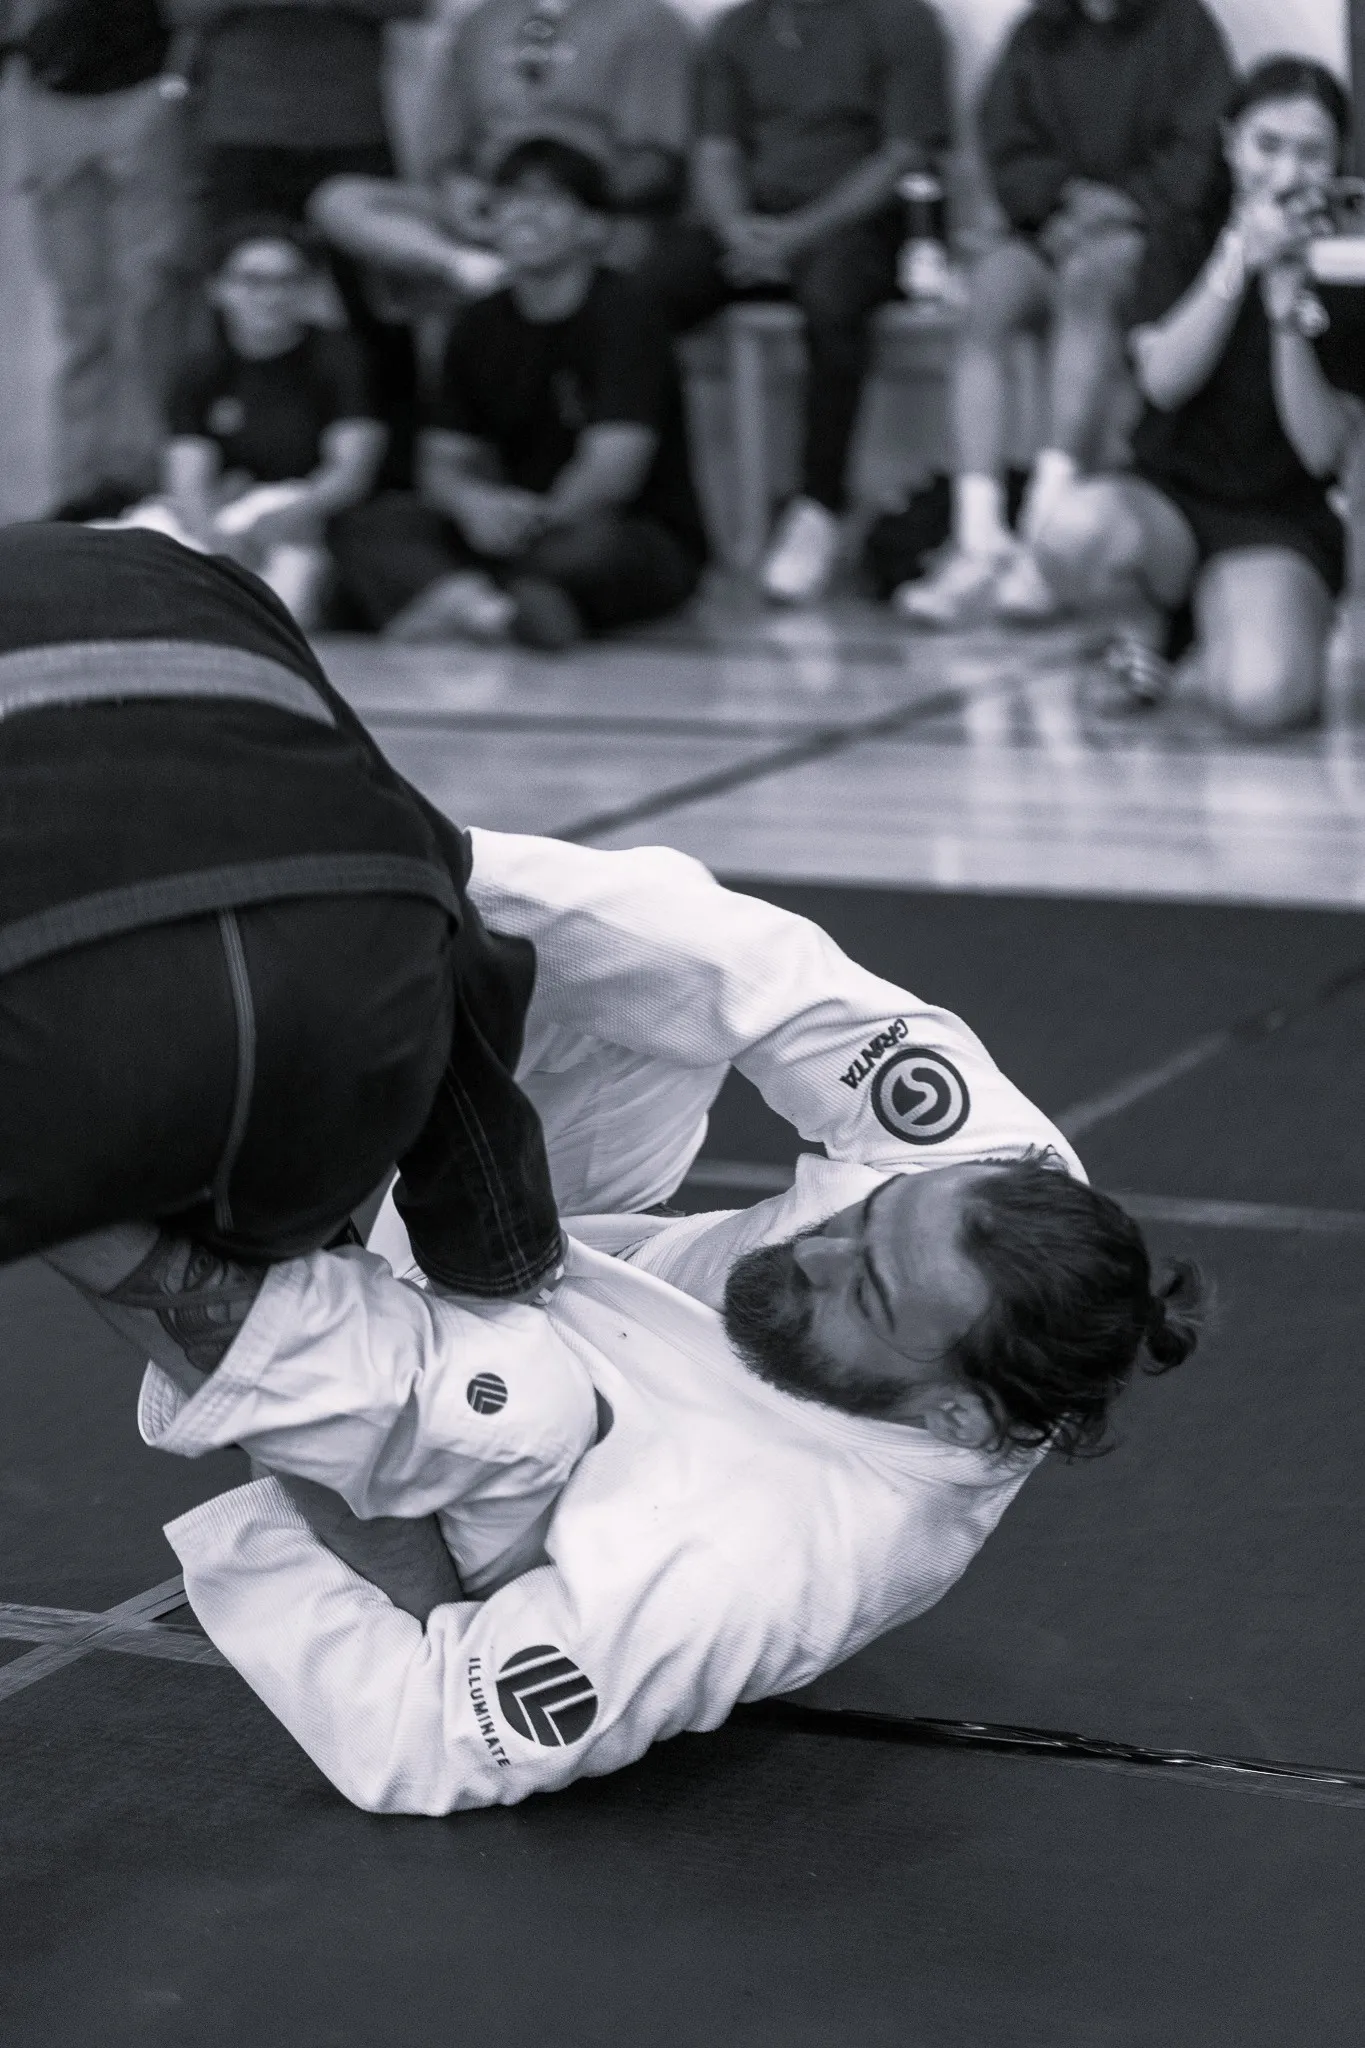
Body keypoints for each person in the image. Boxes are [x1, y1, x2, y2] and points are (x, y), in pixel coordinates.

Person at [50, 829, 1203, 1814]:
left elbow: (424, 1735)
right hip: (552, 1254)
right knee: (638, 966)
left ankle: (80, 1187)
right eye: (863, 1215)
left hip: (501, 1462)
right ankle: (352, 889)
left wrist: (319, 1469)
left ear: (954, 1410)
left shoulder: (761, 1562)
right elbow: (758, 969)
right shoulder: (993, 1178)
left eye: (863, 1290)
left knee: (518, 1407)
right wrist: (397, 860)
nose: (818, 1247)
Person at [0, 520, 561, 1302]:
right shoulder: (171, 569)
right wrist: (499, 1251)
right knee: (273, 1231)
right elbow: (426, 869)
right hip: (352, 1013)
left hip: (86, 1058)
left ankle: (270, 1310)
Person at [1032, 59, 1365, 732]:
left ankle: (1231, 615)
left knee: (1261, 703)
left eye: (1310, 153)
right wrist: (1236, 259)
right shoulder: (1181, 228)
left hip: (1280, 520)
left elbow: (1322, 449)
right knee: (1071, 530)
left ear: (1337, 161)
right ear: (1230, 143)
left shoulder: (1348, 259)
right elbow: (1163, 381)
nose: (1285, 173)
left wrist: (1286, 312)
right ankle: (1145, 627)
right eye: (1266, 146)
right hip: (1168, 502)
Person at [901, 0, 1233, 628]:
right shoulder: (1038, 32)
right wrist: (1061, 199)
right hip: (1051, 227)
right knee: (988, 294)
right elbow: (1005, 144)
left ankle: (1044, 532)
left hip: (1147, 236)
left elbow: (1202, 152)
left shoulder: (1185, 30)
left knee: (1089, 283)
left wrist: (1122, 205)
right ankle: (977, 536)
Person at [330, 137, 707, 649]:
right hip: (509, 525)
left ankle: (454, 598)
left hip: (617, 527)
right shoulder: (478, 321)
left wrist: (533, 521)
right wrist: (475, 504)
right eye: (509, 200)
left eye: (549, 201)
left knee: (594, 551)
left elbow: (612, 473)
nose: (525, 215)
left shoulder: (628, 314)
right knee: (369, 523)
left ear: (594, 226)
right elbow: (441, 464)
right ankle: (495, 612)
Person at [639, 0, 951, 604]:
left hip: (860, 225)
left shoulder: (901, 20)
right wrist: (736, 228)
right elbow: (716, 151)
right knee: (644, 294)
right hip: (753, 223)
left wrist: (799, 234)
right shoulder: (736, 30)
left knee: (834, 301)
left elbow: (904, 155)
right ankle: (665, 510)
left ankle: (818, 507)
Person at [166, 0, 428, 486]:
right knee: (241, 306)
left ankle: (395, 481)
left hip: (350, 126)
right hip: (240, 130)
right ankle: (228, 478)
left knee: (379, 314)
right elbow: (181, 8)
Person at [308, 0, 696, 303]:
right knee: (342, 200)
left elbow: (655, 160)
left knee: (626, 252)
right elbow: (447, 147)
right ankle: (473, 269)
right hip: (490, 204)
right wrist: (458, 187)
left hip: (588, 210)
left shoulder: (649, 20)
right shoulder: (480, 19)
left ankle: (523, 281)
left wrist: (562, 201)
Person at [116, 216, 387, 628]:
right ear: (219, 289)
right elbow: (187, 478)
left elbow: (350, 473)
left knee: (271, 607)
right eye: (253, 282)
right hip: (224, 515)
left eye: (286, 281)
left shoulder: (339, 360)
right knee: (134, 547)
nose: (271, 297)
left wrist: (281, 521)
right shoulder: (201, 370)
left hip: (304, 518)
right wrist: (214, 537)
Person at [11, 0, 190, 517]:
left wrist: (178, 81)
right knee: (82, 316)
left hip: (146, 89)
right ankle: (78, 485)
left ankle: (144, 477)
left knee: (150, 301)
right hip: (49, 96)